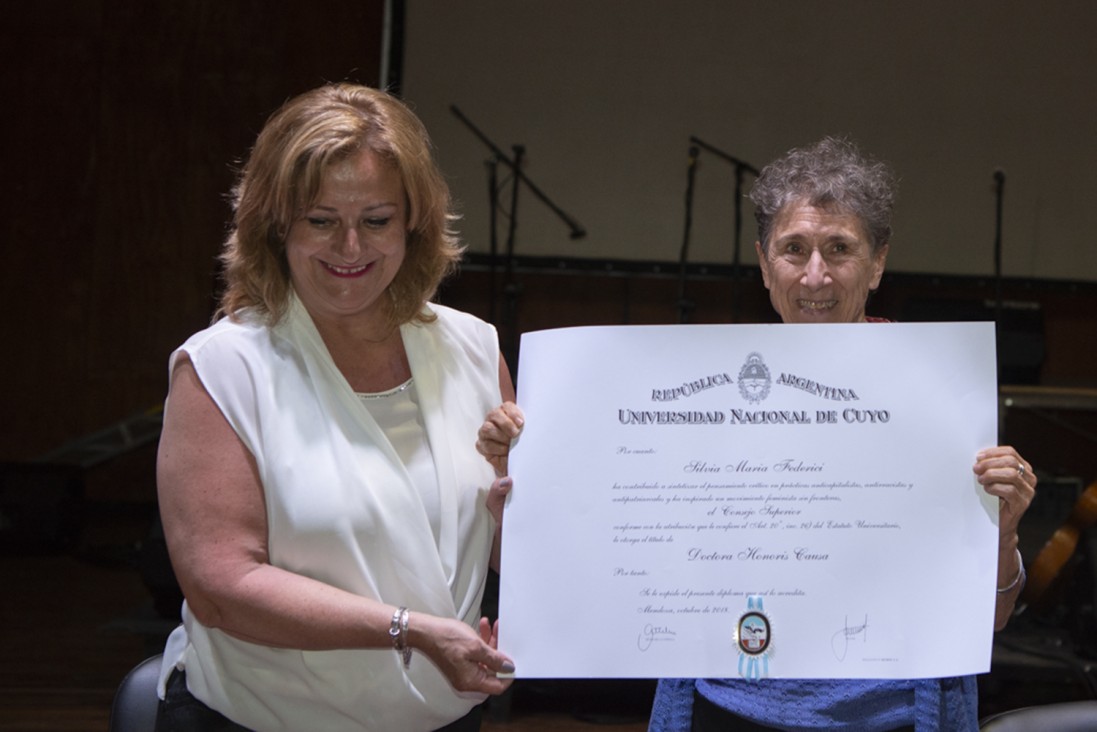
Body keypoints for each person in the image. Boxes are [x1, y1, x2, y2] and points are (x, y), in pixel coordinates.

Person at [477, 137, 1036, 731]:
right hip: (725, 710)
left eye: (840, 249)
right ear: (764, 263)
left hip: (892, 716)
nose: (815, 275)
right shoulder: (694, 394)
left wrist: (1000, 538)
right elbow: (595, 559)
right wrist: (523, 482)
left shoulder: (939, 397)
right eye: (793, 249)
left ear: (877, 265)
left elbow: (992, 616)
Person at [154, 83, 516, 732]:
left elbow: (512, 552)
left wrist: (511, 519)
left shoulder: (473, 349)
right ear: (275, 223)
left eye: (375, 220)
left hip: (446, 721)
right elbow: (220, 589)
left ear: (413, 222)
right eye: (321, 220)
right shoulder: (223, 368)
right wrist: (410, 631)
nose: (350, 247)